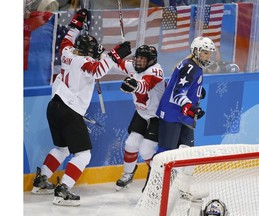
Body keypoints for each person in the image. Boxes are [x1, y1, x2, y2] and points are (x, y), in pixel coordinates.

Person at [31, 8, 131, 206]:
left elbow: (67, 38)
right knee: (84, 154)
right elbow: (98, 70)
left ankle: (41, 181)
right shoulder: (85, 62)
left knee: (63, 147)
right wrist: (115, 54)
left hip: (54, 107)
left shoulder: (68, 52)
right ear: (90, 52)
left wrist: (77, 23)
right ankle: (63, 190)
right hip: (69, 110)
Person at [111, 45, 166, 191]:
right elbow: (114, 65)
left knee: (146, 150)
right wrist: (106, 57)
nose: (139, 61)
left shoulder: (156, 70)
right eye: (138, 58)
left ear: (151, 61)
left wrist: (134, 85)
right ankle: (128, 174)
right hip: (141, 114)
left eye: (143, 59)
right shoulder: (133, 66)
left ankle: (159, 176)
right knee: (130, 144)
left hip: (157, 116)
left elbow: (145, 85)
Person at [155, 36, 216, 154]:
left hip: (183, 115)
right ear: (195, 51)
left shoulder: (193, 65)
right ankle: (156, 173)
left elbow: (182, 84)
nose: (209, 56)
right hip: (172, 115)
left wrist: (196, 90)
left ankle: (178, 173)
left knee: (186, 153)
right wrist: (191, 107)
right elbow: (177, 93)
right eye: (205, 52)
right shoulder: (190, 67)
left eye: (210, 53)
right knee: (166, 154)